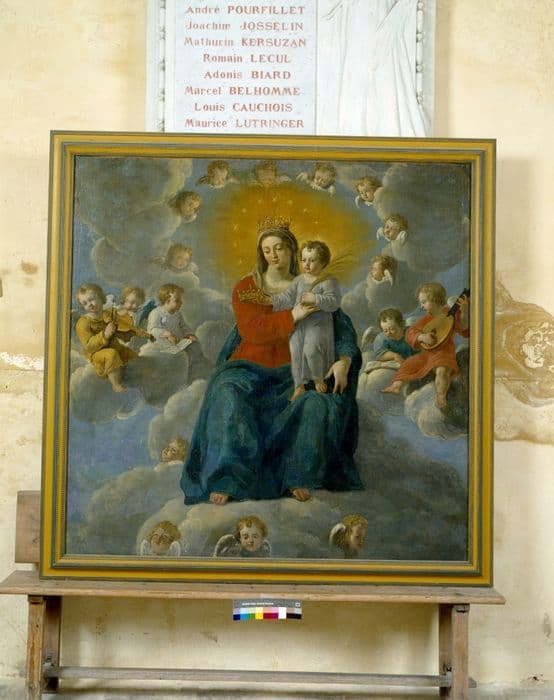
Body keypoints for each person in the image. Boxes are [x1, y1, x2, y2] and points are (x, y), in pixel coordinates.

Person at [180, 217, 363, 506]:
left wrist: (344, 359)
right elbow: (253, 330)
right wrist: (293, 316)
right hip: (248, 369)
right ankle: (229, 477)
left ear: (292, 250)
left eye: (279, 248)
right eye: (267, 250)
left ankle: (296, 475)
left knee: (315, 402)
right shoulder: (248, 287)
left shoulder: (312, 286)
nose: (273, 255)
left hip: (295, 372)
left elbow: (341, 329)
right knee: (227, 394)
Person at [262, 240, 341, 401]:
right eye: (304, 260)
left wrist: (315, 298)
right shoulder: (299, 280)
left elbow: (334, 303)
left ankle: (318, 378)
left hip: (317, 325)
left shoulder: (328, 281)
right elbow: (287, 298)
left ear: (323, 262)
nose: (307, 264)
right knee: (296, 352)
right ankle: (299, 386)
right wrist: (272, 301)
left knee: (311, 350)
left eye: (312, 260)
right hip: (298, 324)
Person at [382, 283, 469, 408]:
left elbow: (463, 328)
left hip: (444, 353)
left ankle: (441, 396)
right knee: (409, 364)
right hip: (427, 354)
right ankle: (396, 386)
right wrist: (422, 337)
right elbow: (411, 332)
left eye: (423, 302)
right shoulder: (426, 320)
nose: (421, 306)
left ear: (435, 300)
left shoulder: (451, 315)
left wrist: (464, 311)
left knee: (442, 371)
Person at [75, 283, 141, 392]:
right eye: (85, 303)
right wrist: (104, 335)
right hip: (96, 353)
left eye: (91, 299)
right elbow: (88, 346)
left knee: (129, 354)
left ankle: (137, 377)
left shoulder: (108, 314)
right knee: (111, 354)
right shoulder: (83, 322)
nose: (89, 304)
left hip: (114, 346)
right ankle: (116, 384)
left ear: (101, 298)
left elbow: (122, 323)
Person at [147, 283, 200, 358]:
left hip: (175, 344)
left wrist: (189, 334)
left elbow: (183, 326)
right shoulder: (156, 313)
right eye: (177, 300)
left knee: (193, 348)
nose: (181, 303)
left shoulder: (177, 314)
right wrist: (168, 334)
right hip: (159, 345)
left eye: (180, 300)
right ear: (167, 301)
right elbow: (152, 330)